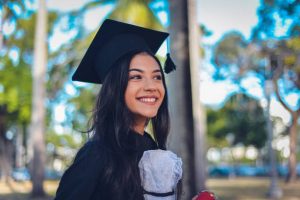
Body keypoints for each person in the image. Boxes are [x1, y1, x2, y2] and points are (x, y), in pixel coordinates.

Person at [54, 19, 181, 200]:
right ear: (115, 87)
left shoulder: (152, 149)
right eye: (136, 77)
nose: (151, 86)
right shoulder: (97, 154)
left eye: (157, 77)